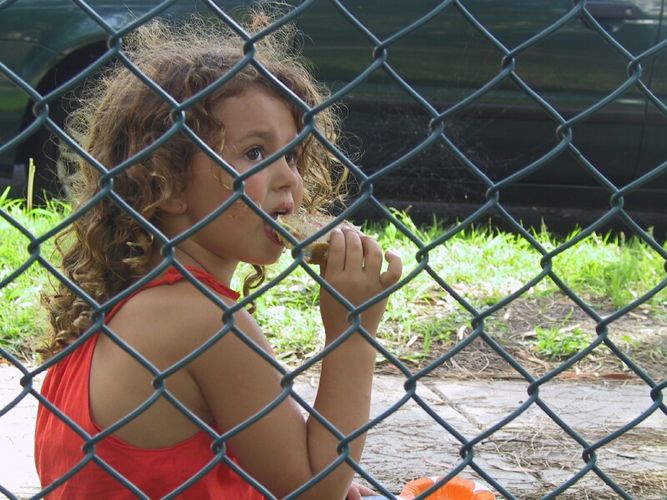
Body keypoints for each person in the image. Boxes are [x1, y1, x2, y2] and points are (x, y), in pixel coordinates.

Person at [33, 8, 402, 500]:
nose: (289, 177)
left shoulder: (121, 305)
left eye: (291, 154)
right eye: (255, 153)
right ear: (165, 182)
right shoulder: (203, 322)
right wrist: (352, 331)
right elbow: (315, 488)